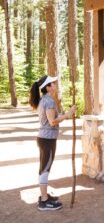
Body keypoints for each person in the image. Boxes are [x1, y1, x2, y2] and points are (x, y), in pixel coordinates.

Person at [29, 75, 76, 211]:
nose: (55, 85)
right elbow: (52, 121)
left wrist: (66, 113)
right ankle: (44, 201)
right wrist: (67, 114)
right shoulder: (48, 100)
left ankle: (44, 196)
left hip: (45, 139)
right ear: (48, 87)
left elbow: (53, 118)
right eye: (53, 83)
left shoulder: (45, 99)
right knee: (45, 168)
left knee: (44, 167)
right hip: (47, 140)